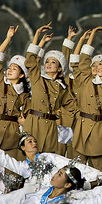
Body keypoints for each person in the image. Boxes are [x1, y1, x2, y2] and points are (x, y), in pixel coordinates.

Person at [70, 26, 102, 170]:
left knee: (97, 168)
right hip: (81, 126)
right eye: (99, 64)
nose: (99, 67)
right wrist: (92, 34)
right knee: (76, 167)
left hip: (99, 130)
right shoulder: (87, 79)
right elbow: (84, 58)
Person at [23, 23, 77, 153]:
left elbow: (72, 107)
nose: (48, 64)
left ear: (59, 68)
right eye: (47, 61)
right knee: (30, 158)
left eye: (53, 62)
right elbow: (30, 61)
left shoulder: (62, 87)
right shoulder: (37, 78)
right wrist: (38, 37)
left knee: (48, 159)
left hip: (51, 127)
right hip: (34, 124)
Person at [0, 25, 29, 161]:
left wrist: (23, 122)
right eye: (9, 68)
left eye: (14, 69)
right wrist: (8, 38)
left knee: (11, 170)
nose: (9, 70)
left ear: (21, 75)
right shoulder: (0, 83)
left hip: (11, 133)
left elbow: (27, 116)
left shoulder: (24, 95)